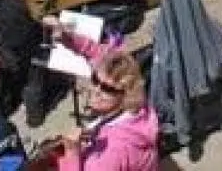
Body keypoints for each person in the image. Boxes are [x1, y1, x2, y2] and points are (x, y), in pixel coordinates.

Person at [44, 18, 160, 171]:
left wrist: (72, 153)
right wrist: (66, 36)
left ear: (126, 96)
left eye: (108, 89)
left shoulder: (110, 155)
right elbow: (96, 52)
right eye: (95, 79)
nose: (96, 90)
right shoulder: (136, 108)